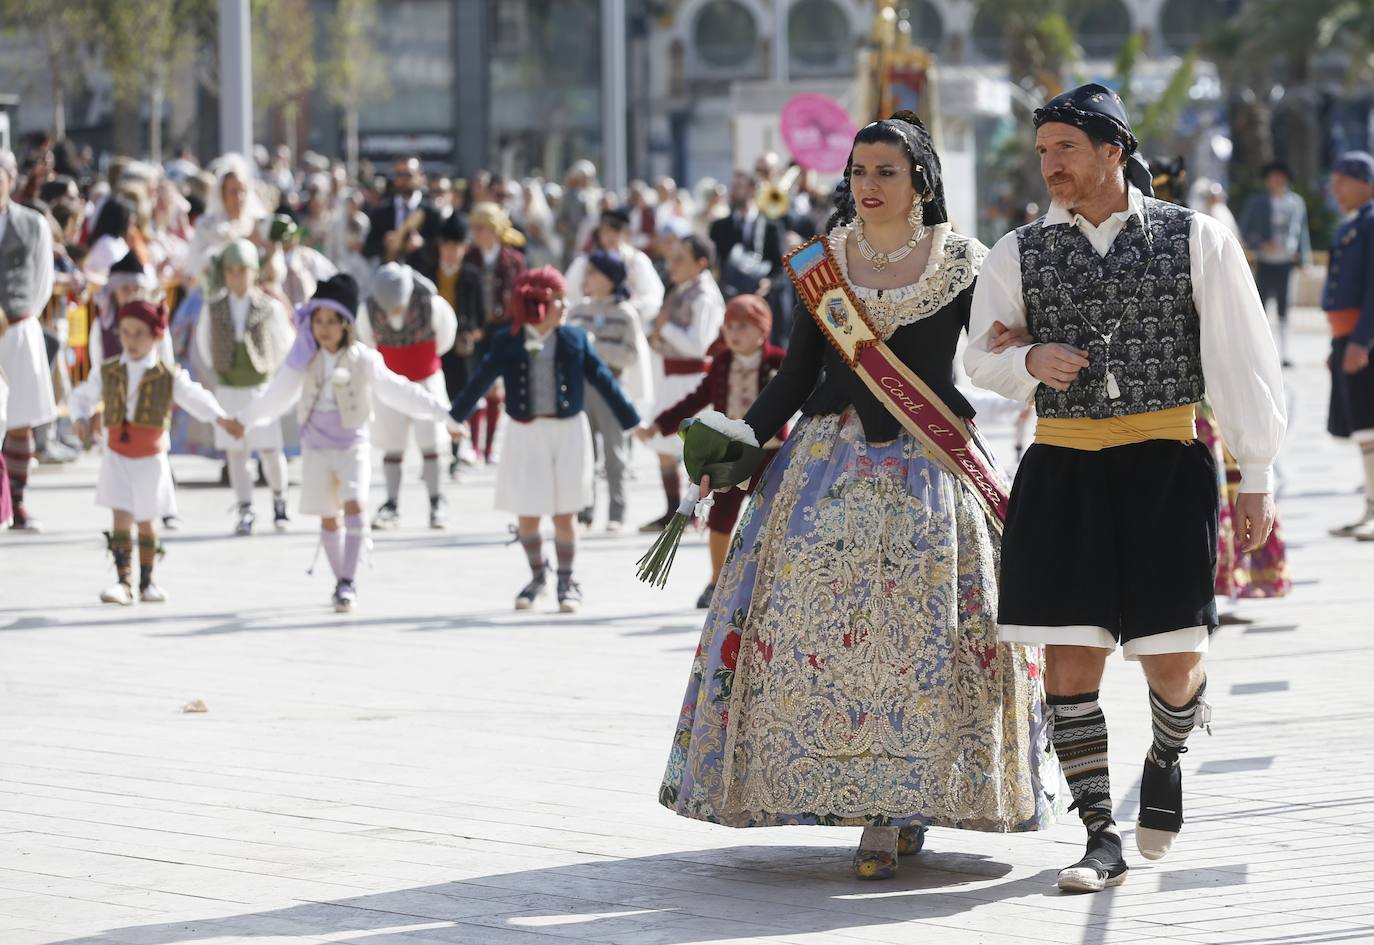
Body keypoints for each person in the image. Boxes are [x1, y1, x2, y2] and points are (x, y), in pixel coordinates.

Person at [660, 114, 1058, 881]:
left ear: (921, 183)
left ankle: (898, 807)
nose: (867, 186)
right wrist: (734, 445)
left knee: (926, 638)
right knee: (819, 632)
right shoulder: (819, 264)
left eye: (885, 172)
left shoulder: (964, 263)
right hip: (823, 471)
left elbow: (991, 356)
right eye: (858, 171)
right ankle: (852, 797)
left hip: (931, 472)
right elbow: (793, 376)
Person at [964, 84, 1286, 892]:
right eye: (1043, 152)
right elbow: (978, 356)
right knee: (1071, 660)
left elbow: (1241, 359)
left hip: (1164, 464)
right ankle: (1099, 832)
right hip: (1064, 466)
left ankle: (1168, 750)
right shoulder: (1018, 251)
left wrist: (1256, 473)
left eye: (1065, 148)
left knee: (1174, 663)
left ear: (1113, 149)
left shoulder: (1195, 239)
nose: (1051, 166)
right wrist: (1028, 361)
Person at [234, 274, 462, 613]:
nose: (323, 329)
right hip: (316, 445)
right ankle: (340, 578)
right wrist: (244, 420)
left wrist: (446, 414)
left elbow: (399, 389)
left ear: (346, 324)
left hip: (352, 442)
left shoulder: (363, 358)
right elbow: (278, 392)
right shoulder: (304, 358)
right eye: (318, 321)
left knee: (355, 503)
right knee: (329, 516)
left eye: (331, 321)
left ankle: (348, 581)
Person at [448, 268, 639, 613]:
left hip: (567, 432)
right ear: (535, 303)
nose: (565, 306)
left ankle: (567, 580)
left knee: (566, 513)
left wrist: (631, 422)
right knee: (528, 515)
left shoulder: (575, 339)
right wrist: (455, 416)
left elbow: (603, 381)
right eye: (557, 300)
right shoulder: (508, 340)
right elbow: (481, 378)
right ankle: (539, 576)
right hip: (525, 433)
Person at [69, 300, 241, 604]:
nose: (132, 340)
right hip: (117, 454)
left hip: (150, 455)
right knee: (120, 512)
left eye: (139, 333)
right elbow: (82, 395)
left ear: (155, 336)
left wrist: (220, 417)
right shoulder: (108, 371)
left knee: (147, 517)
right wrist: (80, 419)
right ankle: (124, 582)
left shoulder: (167, 374)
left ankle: (148, 580)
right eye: (126, 333)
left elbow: (193, 396)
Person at [636, 294, 785, 608]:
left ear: (763, 329)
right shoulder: (721, 363)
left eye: (743, 326)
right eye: (729, 326)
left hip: (770, 454)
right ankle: (717, 580)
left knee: (773, 519)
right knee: (720, 519)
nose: (734, 333)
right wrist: (660, 425)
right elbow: (695, 398)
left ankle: (771, 580)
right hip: (727, 455)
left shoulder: (779, 362)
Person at [193, 238, 295, 534]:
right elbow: (204, 341)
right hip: (229, 385)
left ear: (255, 272)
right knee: (236, 452)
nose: (237, 277)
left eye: (243, 270)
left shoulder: (268, 307)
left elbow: (283, 341)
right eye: (231, 271)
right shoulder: (213, 307)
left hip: (259, 386)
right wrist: (217, 368)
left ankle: (279, 500)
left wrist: (274, 375)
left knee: (270, 449)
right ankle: (245, 506)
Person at [357, 262, 458, 529]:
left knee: (431, 442)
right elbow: (367, 340)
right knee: (393, 444)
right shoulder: (368, 310)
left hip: (425, 378)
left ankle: (437, 501)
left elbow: (446, 337)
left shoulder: (431, 305)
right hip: (389, 385)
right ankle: (391, 504)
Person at [640, 235, 725, 532]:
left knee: (695, 452)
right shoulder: (681, 289)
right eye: (671, 258)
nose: (671, 265)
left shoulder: (705, 296)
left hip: (692, 380)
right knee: (664, 447)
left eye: (680, 259)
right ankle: (672, 508)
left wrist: (666, 328)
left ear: (700, 264)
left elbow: (699, 344)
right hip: (671, 376)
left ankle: (694, 512)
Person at [567, 250, 651, 531]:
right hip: (581, 388)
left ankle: (617, 511)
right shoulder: (577, 310)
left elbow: (631, 355)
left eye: (594, 272)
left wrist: (595, 348)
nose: (587, 278)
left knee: (615, 453)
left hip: (613, 387)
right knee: (583, 451)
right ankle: (585, 509)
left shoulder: (625, 313)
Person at [0, 148, 57, 531]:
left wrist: (20, 316)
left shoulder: (32, 223)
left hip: (17, 330)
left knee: (19, 422)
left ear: (10, 178)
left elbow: (43, 280)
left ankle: (17, 502)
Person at [1322, 151, 1374, 540]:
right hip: (1347, 337)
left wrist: (1361, 341)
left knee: (1370, 427)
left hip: (1364, 339)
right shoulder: (1353, 224)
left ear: (1364, 181)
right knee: (1360, 428)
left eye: (1342, 180)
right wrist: (1338, 341)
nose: (1334, 189)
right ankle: (1369, 506)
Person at [463, 202, 527, 462]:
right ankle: (474, 446)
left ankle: (490, 447)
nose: (477, 233)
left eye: (481, 228)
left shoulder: (513, 260)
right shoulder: (469, 258)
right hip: (477, 328)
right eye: (474, 228)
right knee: (475, 383)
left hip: (504, 328)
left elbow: (522, 295)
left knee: (496, 389)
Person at [1240, 162, 1312, 367]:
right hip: (1265, 260)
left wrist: (1304, 259)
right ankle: (1257, 351)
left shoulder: (1296, 202)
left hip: (1286, 262)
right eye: (1272, 178)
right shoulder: (1258, 202)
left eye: (1279, 178)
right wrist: (1261, 243)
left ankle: (1284, 352)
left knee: (1284, 308)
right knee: (1260, 306)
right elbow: (1245, 230)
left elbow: (1302, 232)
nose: (1276, 182)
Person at [563, 207, 665, 329]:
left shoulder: (636, 261)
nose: (610, 237)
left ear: (626, 233)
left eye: (615, 231)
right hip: (587, 325)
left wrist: (630, 310)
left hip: (626, 327)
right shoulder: (584, 262)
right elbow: (569, 295)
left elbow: (653, 295)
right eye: (606, 232)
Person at [709, 171, 784, 300]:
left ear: (752, 190)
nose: (733, 191)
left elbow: (780, 265)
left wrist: (769, 282)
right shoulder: (719, 226)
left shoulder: (771, 227)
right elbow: (713, 261)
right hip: (729, 297)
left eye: (738, 186)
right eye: (732, 186)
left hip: (760, 298)